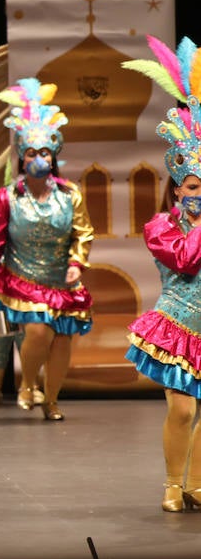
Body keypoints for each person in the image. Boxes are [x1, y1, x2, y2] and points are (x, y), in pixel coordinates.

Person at [0, 78, 94, 421]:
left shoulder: (70, 194)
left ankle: (52, 400)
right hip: (22, 275)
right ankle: (27, 383)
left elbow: (83, 232)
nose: (39, 159)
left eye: (44, 153)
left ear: (53, 155)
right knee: (39, 329)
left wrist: (77, 262)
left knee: (61, 341)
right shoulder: (7, 196)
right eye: (31, 153)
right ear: (22, 158)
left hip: (61, 277)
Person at [119, 35, 201, 511]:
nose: (199, 192)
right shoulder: (159, 226)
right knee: (182, 408)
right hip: (176, 326)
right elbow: (187, 260)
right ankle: (173, 484)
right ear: (176, 188)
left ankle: (196, 483)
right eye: (192, 186)